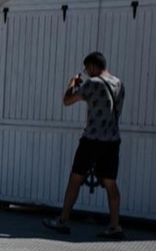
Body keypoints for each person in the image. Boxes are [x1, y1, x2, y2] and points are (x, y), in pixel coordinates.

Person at [43, 51, 126, 239]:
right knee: (111, 183)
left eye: (87, 69)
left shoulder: (92, 83)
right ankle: (115, 226)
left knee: (76, 178)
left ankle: (63, 220)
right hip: (112, 140)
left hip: (92, 139)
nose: (86, 72)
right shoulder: (119, 84)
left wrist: (72, 84)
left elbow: (67, 100)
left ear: (93, 66)